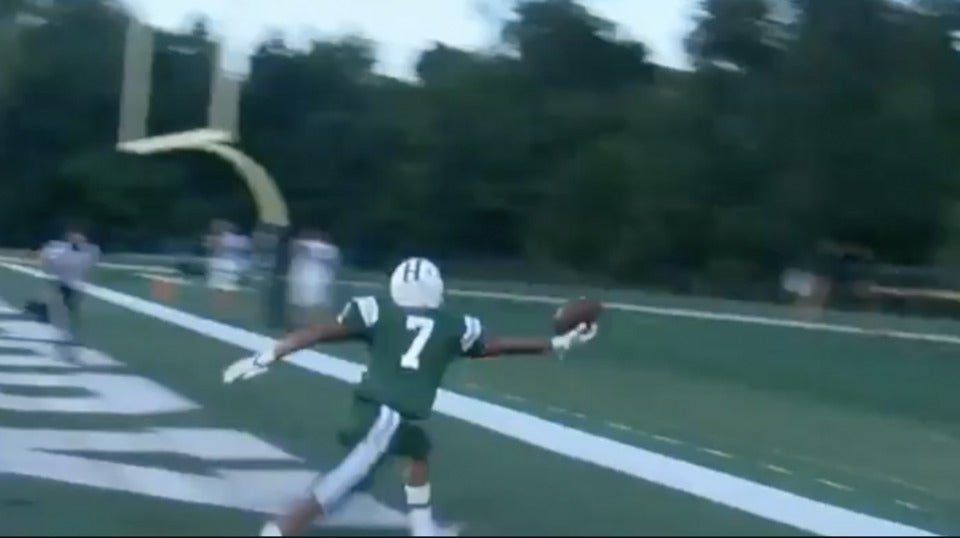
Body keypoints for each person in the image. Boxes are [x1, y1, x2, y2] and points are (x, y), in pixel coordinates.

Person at [223, 257, 598, 537]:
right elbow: (497, 345)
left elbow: (317, 332)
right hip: (385, 418)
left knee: (418, 449)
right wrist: (554, 343)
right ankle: (276, 533)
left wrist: (267, 355)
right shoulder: (453, 325)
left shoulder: (376, 311)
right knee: (337, 489)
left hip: (377, 413)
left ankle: (423, 529)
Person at [36, 224, 100, 351]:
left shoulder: (89, 251)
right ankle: (61, 328)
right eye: (75, 238)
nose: (78, 240)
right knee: (61, 305)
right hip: (61, 281)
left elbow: (90, 266)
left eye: (80, 238)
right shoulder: (57, 249)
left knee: (72, 307)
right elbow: (47, 260)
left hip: (75, 283)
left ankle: (71, 331)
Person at [287, 228, 340, 328]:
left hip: (313, 288)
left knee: (307, 310)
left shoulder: (303, 254)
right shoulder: (301, 257)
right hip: (308, 288)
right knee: (303, 310)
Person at [205, 219, 250, 311]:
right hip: (220, 275)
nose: (216, 227)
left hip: (228, 275)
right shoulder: (217, 242)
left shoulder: (239, 241)